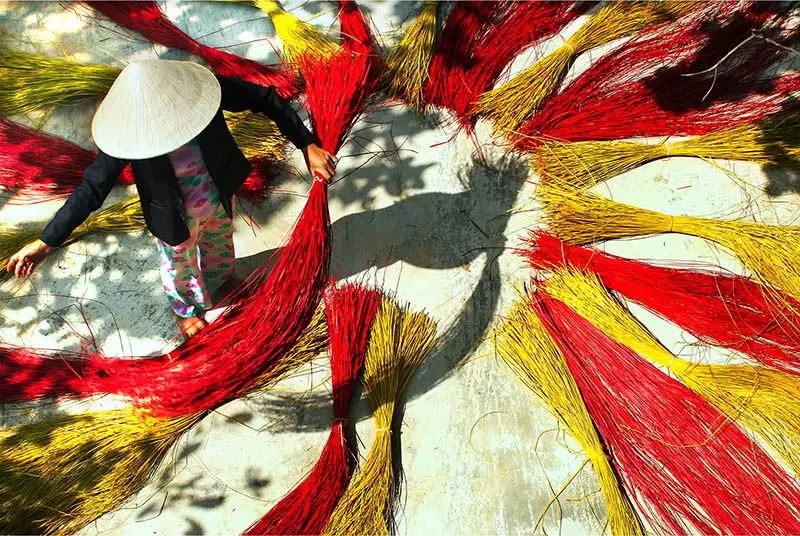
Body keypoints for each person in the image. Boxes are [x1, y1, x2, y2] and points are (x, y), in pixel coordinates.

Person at [7, 59, 336, 339]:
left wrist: (306, 144)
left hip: (218, 196)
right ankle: (185, 308)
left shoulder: (200, 93)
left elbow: (264, 98)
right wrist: (46, 242)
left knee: (220, 247)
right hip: (172, 219)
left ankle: (220, 280)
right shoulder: (127, 135)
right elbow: (91, 189)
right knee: (179, 264)